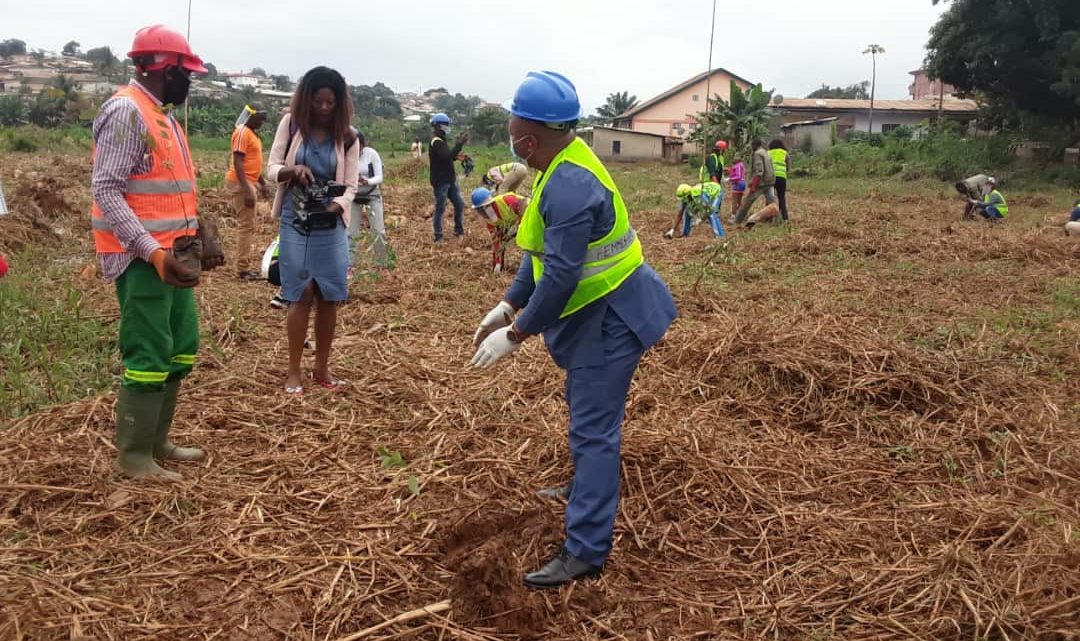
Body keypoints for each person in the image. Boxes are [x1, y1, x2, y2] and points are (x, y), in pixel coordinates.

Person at [470, 71, 677, 589]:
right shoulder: (558, 163)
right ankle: (585, 485)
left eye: (511, 123)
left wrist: (516, 335)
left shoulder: (569, 184)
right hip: (599, 314)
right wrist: (508, 301)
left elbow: (561, 277)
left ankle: (585, 549)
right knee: (587, 416)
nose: (508, 132)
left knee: (594, 432)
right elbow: (539, 254)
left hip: (613, 319)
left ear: (529, 136)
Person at [90, 25, 213, 480]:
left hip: (173, 257)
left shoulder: (162, 116)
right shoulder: (126, 112)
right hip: (144, 260)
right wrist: (152, 252)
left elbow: (169, 191)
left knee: (180, 347)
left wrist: (201, 231)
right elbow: (107, 189)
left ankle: (158, 439)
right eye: (187, 72)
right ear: (166, 68)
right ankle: (134, 456)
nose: (190, 81)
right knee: (148, 352)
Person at [267, 66, 358, 395]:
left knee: (329, 295)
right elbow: (271, 167)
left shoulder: (348, 136)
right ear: (307, 100)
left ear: (338, 104)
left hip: (330, 222)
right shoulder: (291, 124)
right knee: (300, 293)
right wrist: (293, 170)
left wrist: (339, 205)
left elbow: (351, 184)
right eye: (317, 102)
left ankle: (321, 368)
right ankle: (294, 371)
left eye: (329, 103)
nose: (323, 108)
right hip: (296, 219)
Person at [225, 104, 270, 280]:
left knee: (249, 225)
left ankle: (244, 265)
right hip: (241, 183)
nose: (261, 123)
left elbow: (253, 163)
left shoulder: (252, 134)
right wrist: (247, 189)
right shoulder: (242, 132)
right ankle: (242, 269)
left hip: (249, 182)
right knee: (246, 226)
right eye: (259, 120)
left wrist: (263, 183)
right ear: (251, 117)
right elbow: (238, 161)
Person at [348, 130, 391, 271]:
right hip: (353, 196)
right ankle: (350, 265)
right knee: (351, 232)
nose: (356, 149)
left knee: (378, 230)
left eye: (358, 146)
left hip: (372, 193)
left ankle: (382, 265)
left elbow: (379, 177)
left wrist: (366, 181)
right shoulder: (346, 154)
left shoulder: (371, 154)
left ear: (362, 145)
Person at [428, 112, 469, 241]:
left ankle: (458, 230)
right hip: (441, 181)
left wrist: (457, 156)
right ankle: (438, 236)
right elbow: (447, 157)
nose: (447, 127)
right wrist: (459, 144)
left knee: (459, 204)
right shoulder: (436, 142)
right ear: (439, 126)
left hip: (449, 180)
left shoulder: (441, 141)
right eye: (446, 125)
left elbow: (448, 158)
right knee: (440, 207)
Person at [470, 187, 528, 272]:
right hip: (513, 223)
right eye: (480, 210)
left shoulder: (507, 200)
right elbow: (496, 240)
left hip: (532, 216)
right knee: (502, 238)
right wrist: (497, 263)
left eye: (485, 207)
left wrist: (516, 228)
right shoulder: (490, 222)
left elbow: (525, 210)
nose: (483, 212)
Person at [733, 139, 780, 226]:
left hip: (760, 183)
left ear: (754, 145)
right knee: (772, 203)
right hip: (770, 182)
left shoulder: (757, 154)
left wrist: (754, 185)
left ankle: (736, 221)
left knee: (747, 202)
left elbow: (759, 171)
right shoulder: (766, 153)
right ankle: (777, 221)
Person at [768, 139, 792, 222]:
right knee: (781, 197)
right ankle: (784, 218)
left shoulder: (768, 153)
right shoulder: (784, 153)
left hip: (770, 178)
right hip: (781, 178)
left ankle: (769, 218)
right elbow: (788, 166)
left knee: (770, 198)